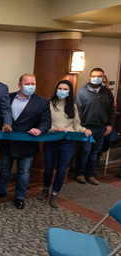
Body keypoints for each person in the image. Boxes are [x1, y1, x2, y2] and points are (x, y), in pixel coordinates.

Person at [0, 73, 51, 210]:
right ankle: (1, 190)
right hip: (7, 143)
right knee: (5, 168)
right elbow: (0, 116)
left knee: (23, 171)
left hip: (27, 144)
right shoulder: (8, 97)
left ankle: (19, 197)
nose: (30, 87)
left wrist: (39, 130)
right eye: (27, 84)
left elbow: (46, 122)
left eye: (32, 84)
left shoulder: (42, 102)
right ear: (19, 85)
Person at [38, 80, 91, 208]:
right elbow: (45, 123)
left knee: (61, 170)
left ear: (69, 92)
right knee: (49, 168)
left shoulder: (73, 107)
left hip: (68, 142)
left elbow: (76, 124)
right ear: (56, 90)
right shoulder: (49, 105)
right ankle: (46, 189)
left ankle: (55, 194)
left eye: (65, 89)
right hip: (51, 140)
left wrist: (84, 130)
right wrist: (55, 128)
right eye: (60, 88)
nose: (62, 91)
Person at [75, 68, 115, 185]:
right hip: (87, 127)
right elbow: (79, 111)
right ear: (89, 77)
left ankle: (91, 175)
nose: (96, 78)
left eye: (99, 76)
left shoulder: (107, 93)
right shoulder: (81, 92)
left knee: (95, 152)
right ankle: (80, 174)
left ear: (103, 78)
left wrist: (110, 125)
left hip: (101, 128)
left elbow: (112, 110)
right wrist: (82, 127)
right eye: (94, 75)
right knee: (85, 152)